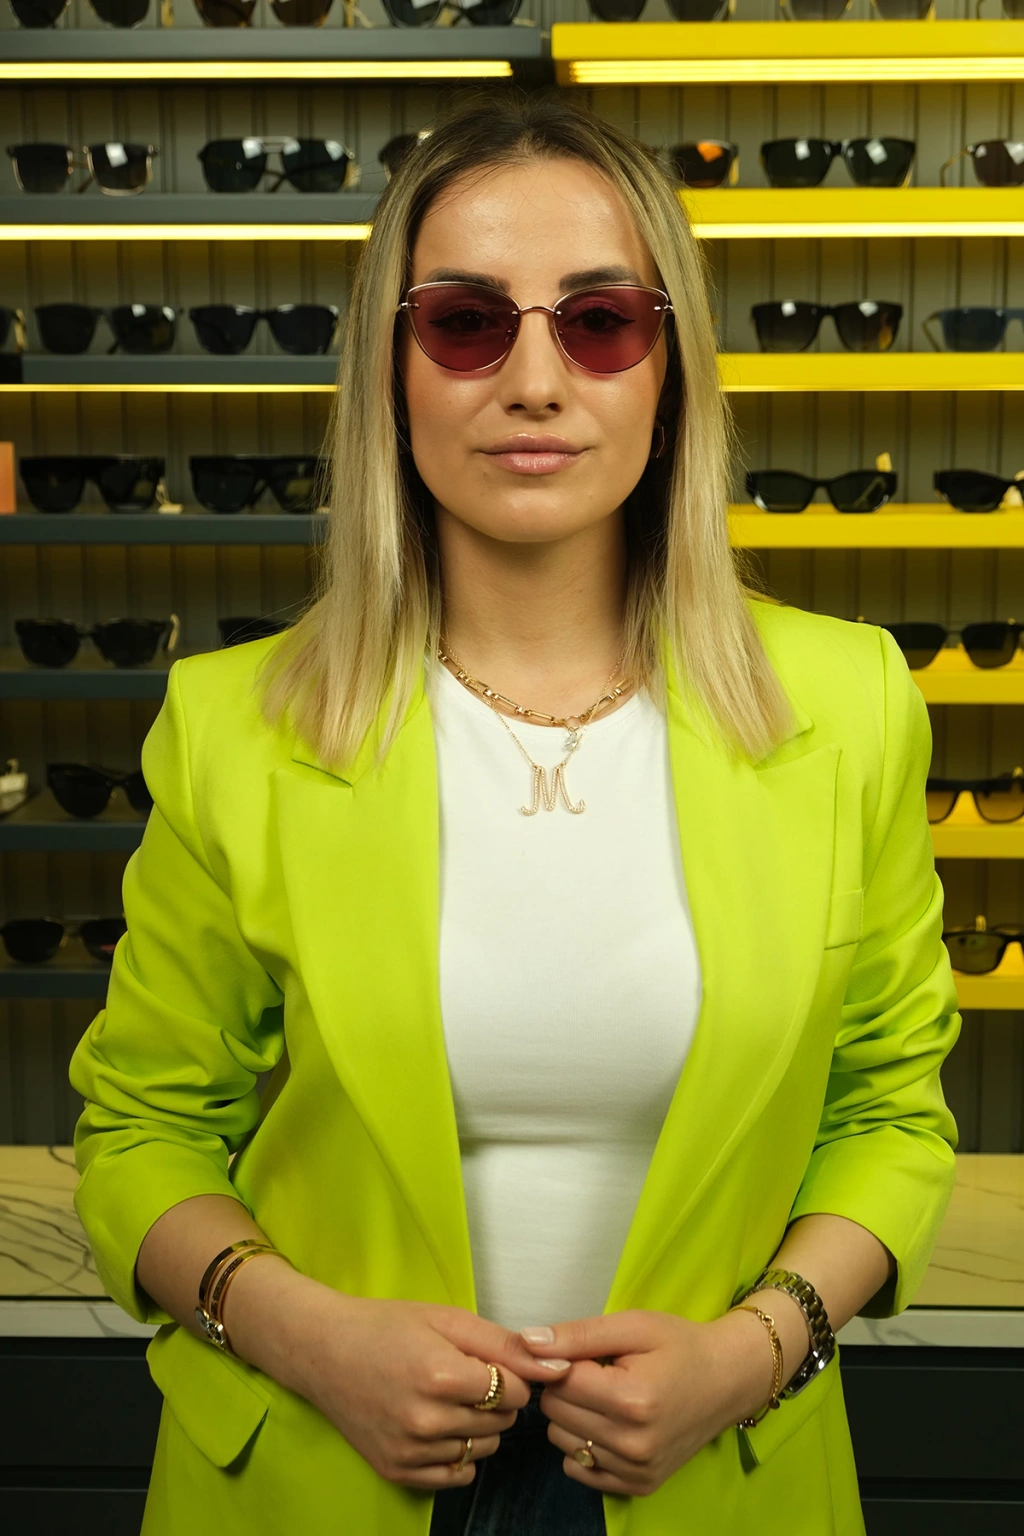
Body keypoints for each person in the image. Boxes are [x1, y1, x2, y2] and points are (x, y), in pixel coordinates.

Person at [70, 93, 960, 1536]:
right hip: (322, 1474)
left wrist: (751, 1355)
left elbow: (891, 1111)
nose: (536, 382)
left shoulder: (846, 704)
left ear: (669, 370)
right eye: (467, 324)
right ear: (392, 371)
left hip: (710, 1478)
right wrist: (310, 1338)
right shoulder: (235, 729)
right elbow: (141, 1130)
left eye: (599, 322)